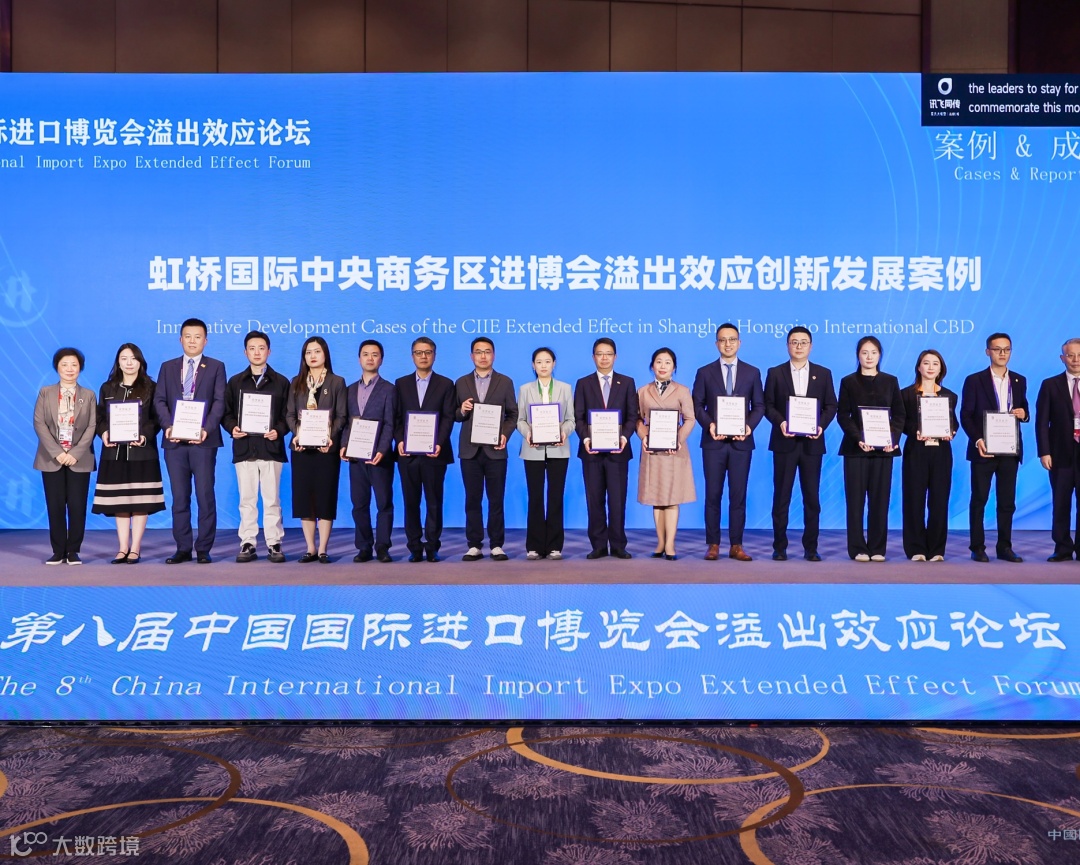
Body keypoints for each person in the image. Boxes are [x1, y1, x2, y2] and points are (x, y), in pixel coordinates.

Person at [153, 318, 227, 564]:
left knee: (205, 496)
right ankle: (183, 548)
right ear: (180, 339)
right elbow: (159, 400)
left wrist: (207, 429)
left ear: (205, 340)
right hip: (175, 443)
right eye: (188, 336)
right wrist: (168, 426)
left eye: (197, 337)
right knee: (179, 498)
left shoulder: (216, 366)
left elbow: (219, 402)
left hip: (203, 442)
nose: (192, 341)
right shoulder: (168, 367)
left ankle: (204, 548)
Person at [763, 326, 837, 561]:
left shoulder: (823, 373)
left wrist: (820, 425)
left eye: (803, 342)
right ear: (787, 345)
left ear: (810, 346)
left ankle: (811, 548)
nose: (798, 346)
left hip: (812, 445)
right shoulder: (775, 373)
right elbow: (768, 405)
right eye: (794, 342)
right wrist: (781, 422)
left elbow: (831, 405)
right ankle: (779, 547)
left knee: (812, 498)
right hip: (784, 443)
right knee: (781, 497)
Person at [691, 323, 764, 562]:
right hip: (714, 443)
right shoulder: (704, 372)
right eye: (723, 340)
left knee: (738, 495)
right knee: (713, 495)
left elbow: (759, 405)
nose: (728, 344)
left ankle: (736, 545)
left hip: (741, 444)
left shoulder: (752, 372)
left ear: (739, 343)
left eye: (732, 339)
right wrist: (710, 425)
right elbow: (697, 405)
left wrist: (748, 426)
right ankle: (713, 544)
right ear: (716, 344)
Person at [91, 343, 165, 564]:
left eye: (133, 358)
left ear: (140, 361)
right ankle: (122, 547)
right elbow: (99, 417)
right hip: (114, 453)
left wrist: (144, 435)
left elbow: (157, 419)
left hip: (142, 453)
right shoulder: (107, 388)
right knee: (119, 503)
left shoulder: (152, 387)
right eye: (124, 358)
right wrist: (104, 433)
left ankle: (135, 548)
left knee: (141, 502)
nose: (129, 363)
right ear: (118, 362)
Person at [221, 330, 290, 564]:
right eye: (252, 348)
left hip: (271, 448)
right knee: (247, 499)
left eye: (261, 348)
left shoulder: (281, 382)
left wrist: (279, 430)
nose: (257, 352)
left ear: (269, 351)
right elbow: (226, 414)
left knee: (272, 500)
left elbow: (288, 415)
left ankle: (274, 543)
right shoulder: (235, 382)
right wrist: (232, 428)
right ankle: (248, 542)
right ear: (245, 352)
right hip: (244, 448)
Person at [960, 332, 1029, 563]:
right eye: (997, 349)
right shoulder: (974, 380)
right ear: (987, 351)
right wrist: (978, 440)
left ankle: (1004, 547)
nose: (1002, 353)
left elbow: (1024, 410)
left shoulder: (1019, 380)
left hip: (1009, 449)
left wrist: (1023, 414)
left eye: (1007, 349)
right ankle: (977, 547)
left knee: (1007, 502)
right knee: (979, 499)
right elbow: (966, 415)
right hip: (984, 448)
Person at [836, 336, 905, 561]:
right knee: (855, 501)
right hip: (855, 449)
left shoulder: (890, 381)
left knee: (880, 500)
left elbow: (899, 414)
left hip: (884, 450)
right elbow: (843, 415)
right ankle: (857, 548)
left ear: (880, 355)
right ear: (858, 355)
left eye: (873, 352)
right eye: (864, 352)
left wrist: (892, 438)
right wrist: (858, 438)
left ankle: (877, 548)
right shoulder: (848, 381)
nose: (869, 357)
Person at [574, 338, 639, 560]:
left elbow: (632, 416)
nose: (604, 358)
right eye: (600, 354)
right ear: (593, 357)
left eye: (608, 353)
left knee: (618, 500)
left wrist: (624, 437)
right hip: (591, 452)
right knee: (595, 499)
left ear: (615, 356)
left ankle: (619, 545)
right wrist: (586, 439)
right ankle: (598, 545)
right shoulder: (583, 383)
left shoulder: (627, 382)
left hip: (618, 451)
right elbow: (578, 416)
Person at [286, 336, 347, 563]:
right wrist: (298, 433)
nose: (313, 356)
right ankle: (310, 548)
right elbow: (290, 414)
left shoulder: (337, 382)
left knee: (325, 497)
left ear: (325, 354)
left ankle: (323, 548)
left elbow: (341, 415)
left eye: (317, 351)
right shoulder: (296, 382)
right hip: (302, 449)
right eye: (308, 352)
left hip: (326, 450)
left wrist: (329, 437)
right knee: (305, 499)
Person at [455, 337, 517, 561]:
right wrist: (462, 410)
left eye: (487, 351)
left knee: (496, 499)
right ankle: (474, 544)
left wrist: (505, 435)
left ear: (494, 355)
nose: (483, 356)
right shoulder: (461, 382)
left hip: (495, 449)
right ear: (471, 356)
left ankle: (497, 544)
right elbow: (454, 415)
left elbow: (513, 414)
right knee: (472, 499)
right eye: (478, 352)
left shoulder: (505, 382)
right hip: (470, 450)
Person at [394, 337, 456, 563]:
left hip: (435, 453)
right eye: (419, 352)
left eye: (428, 352)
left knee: (434, 502)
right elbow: (396, 417)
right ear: (412, 356)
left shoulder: (446, 384)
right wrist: (399, 440)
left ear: (434, 356)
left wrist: (439, 442)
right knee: (410, 502)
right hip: (408, 454)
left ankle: (432, 546)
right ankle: (414, 547)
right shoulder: (401, 384)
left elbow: (448, 417)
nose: (423, 356)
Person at [33, 348, 97, 565]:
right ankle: (58, 551)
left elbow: (92, 426)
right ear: (57, 367)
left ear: (80, 368)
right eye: (64, 365)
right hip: (51, 458)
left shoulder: (89, 395)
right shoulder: (46, 392)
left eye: (74, 365)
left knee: (77, 506)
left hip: (80, 458)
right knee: (55, 506)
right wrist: (58, 453)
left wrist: (75, 453)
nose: (69, 369)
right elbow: (39, 424)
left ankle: (73, 551)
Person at [636, 347, 696, 560]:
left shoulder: (683, 391)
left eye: (667, 362)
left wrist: (678, 439)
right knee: (657, 498)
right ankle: (660, 542)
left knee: (671, 498)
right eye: (659, 362)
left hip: (674, 450)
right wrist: (644, 437)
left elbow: (690, 419)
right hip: (652, 450)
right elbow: (637, 419)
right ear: (652, 366)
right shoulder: (643, 391)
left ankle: (670, 544)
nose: (663, 366)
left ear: (674, 367)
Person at [341, 340, 398, 563]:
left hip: (379, 457)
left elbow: (390, 423)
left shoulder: (389, 389)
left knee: (384, 503)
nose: (370, 358)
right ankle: (364, 547)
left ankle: (383, 547)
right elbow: (347, 423)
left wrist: (382, 450)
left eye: (375, 354)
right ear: (359, 359)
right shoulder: (349, 390)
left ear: (381, 359)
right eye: (366, 354)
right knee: (359, 504)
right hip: (356, 456)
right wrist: (344, 445)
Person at [517, 347, 575, 560]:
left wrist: (563, 432)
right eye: (539, 362)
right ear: (533, 365)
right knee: (535, 496)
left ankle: (554, 545)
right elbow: (520, 420)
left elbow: (571, 419)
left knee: (555, 496)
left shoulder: (565, 388)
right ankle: (534, 545)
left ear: (554, 364)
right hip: (532, 450)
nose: (543, 365)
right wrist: (528, 433)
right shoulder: (525, 389)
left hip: (559, 449)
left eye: (547, 361)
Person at [900, 349, 958, 562]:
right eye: (926, 363)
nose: (931, 367)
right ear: (919, 367)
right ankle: (915, 548)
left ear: (941, 368)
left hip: (941, 452)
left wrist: (952, 431)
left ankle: (936, 549)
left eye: (935, 363)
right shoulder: (906, 394)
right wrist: (915, 430)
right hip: (916, 451)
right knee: (913, 499)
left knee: (939, 500)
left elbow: (954, 421)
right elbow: (901, 422)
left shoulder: (950, 395)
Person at [1036, 337, 1080, 562]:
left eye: (1079, 355)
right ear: (1062, 358)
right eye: (1070, 355)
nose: (1075, 359)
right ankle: (1062, 548)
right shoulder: (1050, 385)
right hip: (1060, 454)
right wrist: (1044, 451)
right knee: (1061, 503)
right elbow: (1042, 422)